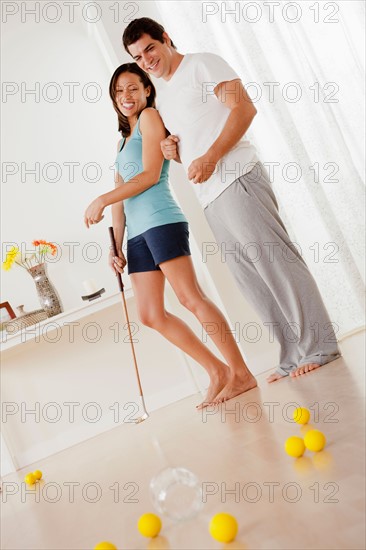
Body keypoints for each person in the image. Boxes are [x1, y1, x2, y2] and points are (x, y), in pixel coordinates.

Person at [122, 18, 341, 383]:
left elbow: (243, 109)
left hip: (238, 177)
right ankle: (290, 355)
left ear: (165, 38)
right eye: (138, 57)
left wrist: (210, 156)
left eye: (149, 49)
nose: (146, 60)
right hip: (210, 194)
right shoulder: (166, 93)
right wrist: (173, 150)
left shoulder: (201, 65)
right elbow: (196, 135)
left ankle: (319, 345)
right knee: (250, 277)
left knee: (277, 262)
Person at [84, 63, 257, 408]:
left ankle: (240, 372)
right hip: (137, 234)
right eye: (119, 91)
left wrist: (102, 198)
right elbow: (122, 198)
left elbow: (149, 176)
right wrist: (115, 246)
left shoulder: (150, 118)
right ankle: (217, 371)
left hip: (161, 221)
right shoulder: (121, 142)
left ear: (147, 89)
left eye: (132, 88)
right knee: (150, 314)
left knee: (191, 298)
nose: (125, 96)